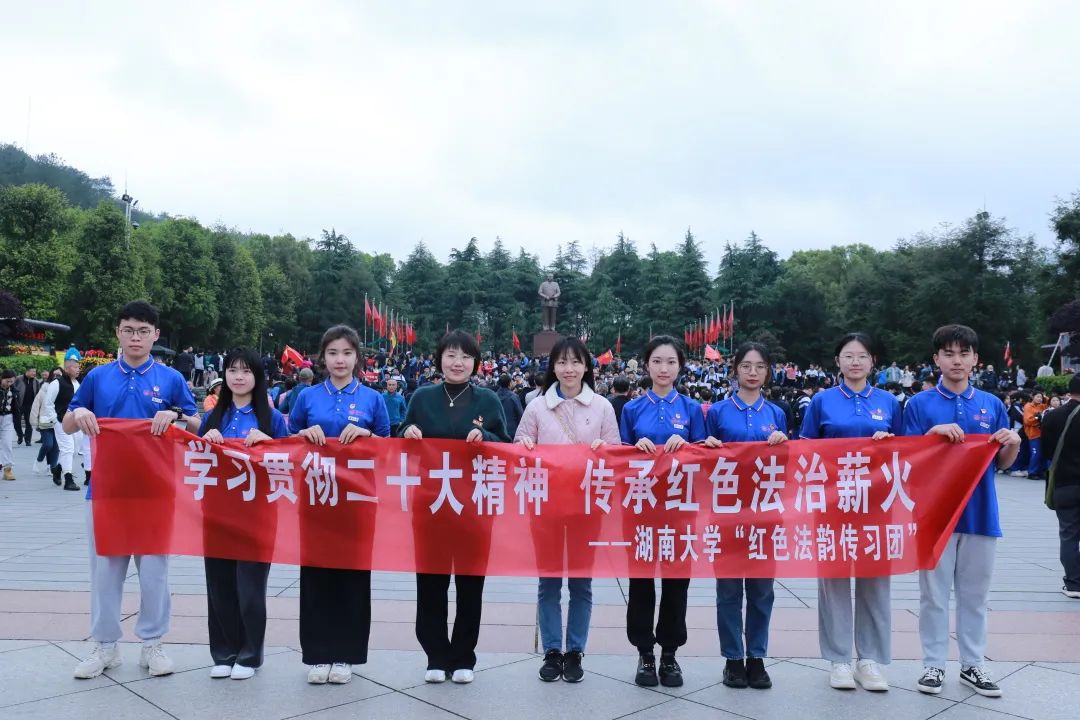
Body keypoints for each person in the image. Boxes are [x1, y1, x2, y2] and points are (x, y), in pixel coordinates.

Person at [65, 300, 199, 679]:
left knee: (154, 571)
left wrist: (176, 414)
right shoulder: (98, 377)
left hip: (156, 491)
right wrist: (80, 412)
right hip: (106, 491)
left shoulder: (171, 379)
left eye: (143, 331)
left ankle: (152, 643)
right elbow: (68, 422)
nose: (135, 337)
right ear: (118, 333)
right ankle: (105, 646)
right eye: (128, 330)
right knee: (105, 572)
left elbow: (196, 424)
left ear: (155, 335)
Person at [903, 324, 1020, 698]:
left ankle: (973, 664)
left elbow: (1002, 463)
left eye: (964, 353)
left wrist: (1013, 443)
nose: (957, 360)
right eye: (949, 353)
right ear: (936, 359)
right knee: (934, 595)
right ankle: (933, 664)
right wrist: (932, 435)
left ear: (975, 360)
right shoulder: (919, 405)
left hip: (981, 512)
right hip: (934, 514)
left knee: (975, 595)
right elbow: (907, 461)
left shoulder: (992, 404)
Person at [400, 330, 511, 684]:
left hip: (474, 506)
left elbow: (505, 445)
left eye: (465, 356)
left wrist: (486, 437)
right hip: (431, 505)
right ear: (439, 360)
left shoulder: (488, 400)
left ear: (475, 363)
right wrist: (407, 431)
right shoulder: (422, 396)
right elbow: (399, 434)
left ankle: (463, 656)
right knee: (430, 583)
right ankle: (435, 655)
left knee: (470, 585)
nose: (457, 362)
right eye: (450, 355)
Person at [799, 333, 902, 692]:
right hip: (833, 504)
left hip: (876, 505)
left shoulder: (889, 402)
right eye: (848, 356)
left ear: (873, 361)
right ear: (837, 361)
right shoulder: (821, 401)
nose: (855, 362)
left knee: (875, 582)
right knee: (834, 583)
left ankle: (869, 660)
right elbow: (806, 450)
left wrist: (890, 444)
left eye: (862, 356)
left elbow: (908, 452)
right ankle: (839, 659)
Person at [288, 325, 390, 685]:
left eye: (347, 353)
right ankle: (318, 654)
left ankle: (347, 653)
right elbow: (288, 440)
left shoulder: (373, 399)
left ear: (357, 357)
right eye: (332, 353)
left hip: (358, 500)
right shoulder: (307, 397)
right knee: (316, 575)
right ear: (322, 358)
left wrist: (367, 435)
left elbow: (388, 448)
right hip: (316, 496)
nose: (340, 360)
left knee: (353, 576)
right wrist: (302, 434)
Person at [514, 337, 620, 683]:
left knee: (581, 583)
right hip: (545, 506)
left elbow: (616, 455)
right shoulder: (536, 407)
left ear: (586, 366)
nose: (569, 369)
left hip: (585, 508)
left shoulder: (602, 407)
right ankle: (551, 650)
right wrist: (524, 446)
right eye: (562, 362)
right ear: (553, 367)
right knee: (548, 583)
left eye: (576, 362)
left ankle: (575, 651)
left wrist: (606, 450)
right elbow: (518, 449)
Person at [619, 335, 706, 688]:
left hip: (680, 507)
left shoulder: (692, 409)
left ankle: (669, 654)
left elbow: (705, 455)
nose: (664, 368)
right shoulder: (631, 409)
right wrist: (631, 448)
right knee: (640, 582)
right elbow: (617, 457)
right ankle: (644, 653)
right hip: (641, 507)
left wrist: (688, 446)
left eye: (671, 362)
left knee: (676, 583)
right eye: (657, 361)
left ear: (680, 366)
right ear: (646, 365)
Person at [198, 348, 289, 680]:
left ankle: (250, 655)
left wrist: (270, 444)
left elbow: (289, 462)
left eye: (246, 371)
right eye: (233, 370)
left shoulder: (272, 418)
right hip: (217, 512)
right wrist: (205, 440)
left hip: (257, 514)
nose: (238, 377)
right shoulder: (212, 417)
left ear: (258, 377)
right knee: (219, 585)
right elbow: (193, 460)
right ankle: (223, 653)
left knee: (250, 588)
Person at [703, 341, 788, 691]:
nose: (753, 373)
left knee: (762, 590)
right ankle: (733, 659)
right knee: (728, 589)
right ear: (735, 369)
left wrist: (784, 443)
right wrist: (708, 447)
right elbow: (702, 464)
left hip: (766, 512)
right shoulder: (717, 412)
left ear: (768, 372)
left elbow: (788, 465)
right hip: (726, 512)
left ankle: (757, 657)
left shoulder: (777, 414)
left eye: (760, 366)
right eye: (746, 366)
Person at [1041, 373, 1080, 599]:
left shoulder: (1052, 416)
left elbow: (1047, 452)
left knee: (1069, 534)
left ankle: (1074, 584)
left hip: (1065, 483)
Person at [42, 352, 83, 491]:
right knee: (67, 449)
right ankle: (68, 480)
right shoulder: (56, 383)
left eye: (79, 367)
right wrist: (54, 420)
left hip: (76, 422)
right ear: (67, 369)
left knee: (75, 450)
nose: (78, 369)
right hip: (61, 421)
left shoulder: (78, 383)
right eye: (75, 367)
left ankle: (58, 469)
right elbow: (48, 403)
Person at [30, 372, 60, 477]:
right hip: (45, 422)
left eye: (59, 375)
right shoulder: (43, 390)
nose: (57, 378)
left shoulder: (63, 390)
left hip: (58, 422)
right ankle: (38, 462)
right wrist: (34, 423)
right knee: (48, 444)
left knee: (55, 447)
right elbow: (35, 406)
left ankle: (52, 468)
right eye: (55, 375)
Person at [1023, 391, 1049, 479]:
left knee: (1043, 454)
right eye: (1037, 397)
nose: (1040, 399)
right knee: (1036, 454)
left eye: (1041, 397)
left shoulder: (1042, 406)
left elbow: (1049, 402)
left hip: (1043, 434)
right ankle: (1032, 472)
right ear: (1032, 397)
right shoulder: (1028, 406)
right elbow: (1027, 420)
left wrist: (1044, 397)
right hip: (1033, 434)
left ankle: (1041, 472)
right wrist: (1038, 418)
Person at [13, 367, 41, 446]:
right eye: (32, 371)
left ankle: (28, 440)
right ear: (27, 371)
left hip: (30, 406)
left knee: (29, 423)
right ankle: (20, 435)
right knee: (16, 422)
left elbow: (38, 393)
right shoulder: (18, 379)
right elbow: (12, 388)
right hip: (19, 405)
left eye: (35, 371)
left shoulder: (36, 381)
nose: (34, 373)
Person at [0, 370, 18, 481]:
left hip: (8, 418)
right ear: (2, 378)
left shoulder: (14, 390)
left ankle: (8, 469)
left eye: (12, 381)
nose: (9, 383)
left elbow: (16, 407)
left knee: (7, 444)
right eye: (7, 381)